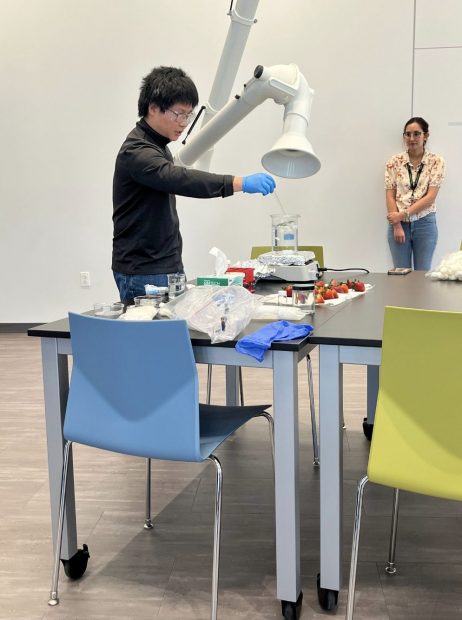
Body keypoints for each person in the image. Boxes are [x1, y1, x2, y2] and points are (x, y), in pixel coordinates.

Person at [112, 66, 276, 303]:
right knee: (155, 339)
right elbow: (179, 179)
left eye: (188, 115)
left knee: (173, 337)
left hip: (163, 265)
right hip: (144, 271)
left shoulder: (158, 146)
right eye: (178, 114)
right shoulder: (137, 151)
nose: (183, 123)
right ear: (153, 108)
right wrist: (238, 182)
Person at [385, 117, 445, 271]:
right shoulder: (394, 161)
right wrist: (397, 223)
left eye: (417, 134)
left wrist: (402, 214)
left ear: (426, 135)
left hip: (425, 223)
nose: (412, 139)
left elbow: (430, 198)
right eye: (408, 134)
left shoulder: (436, 162)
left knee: (421, 275)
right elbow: (390, 195)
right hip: (398, 225)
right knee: (400, 275)